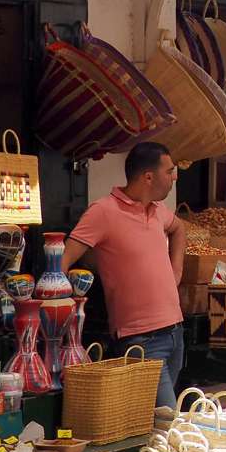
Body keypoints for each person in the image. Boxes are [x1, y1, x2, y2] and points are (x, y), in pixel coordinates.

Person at [64, 142, 187, 410]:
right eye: (170, 171)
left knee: (156, 422)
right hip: (140, 339)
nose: (175, 176)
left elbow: (179, 229)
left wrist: (175, 271)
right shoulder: (103, 211)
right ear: (148, 177)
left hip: (175, 331)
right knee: (166, 422)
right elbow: (63, 259)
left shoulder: (157, 210)